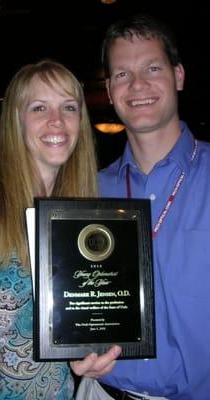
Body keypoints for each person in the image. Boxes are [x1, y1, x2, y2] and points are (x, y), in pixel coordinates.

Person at [0, 59, 121, 400]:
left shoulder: (75, 216)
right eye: (39, 107)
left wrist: (80, 358)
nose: (56, 120)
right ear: (16, 120)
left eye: (68, 107)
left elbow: (57, 331)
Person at [96, 13, 210, 400]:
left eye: (152, 67)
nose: (138, 84)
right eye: (122, 74)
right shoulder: (87, 192)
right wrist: (74, 347)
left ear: (178, 76)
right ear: (110, 91)